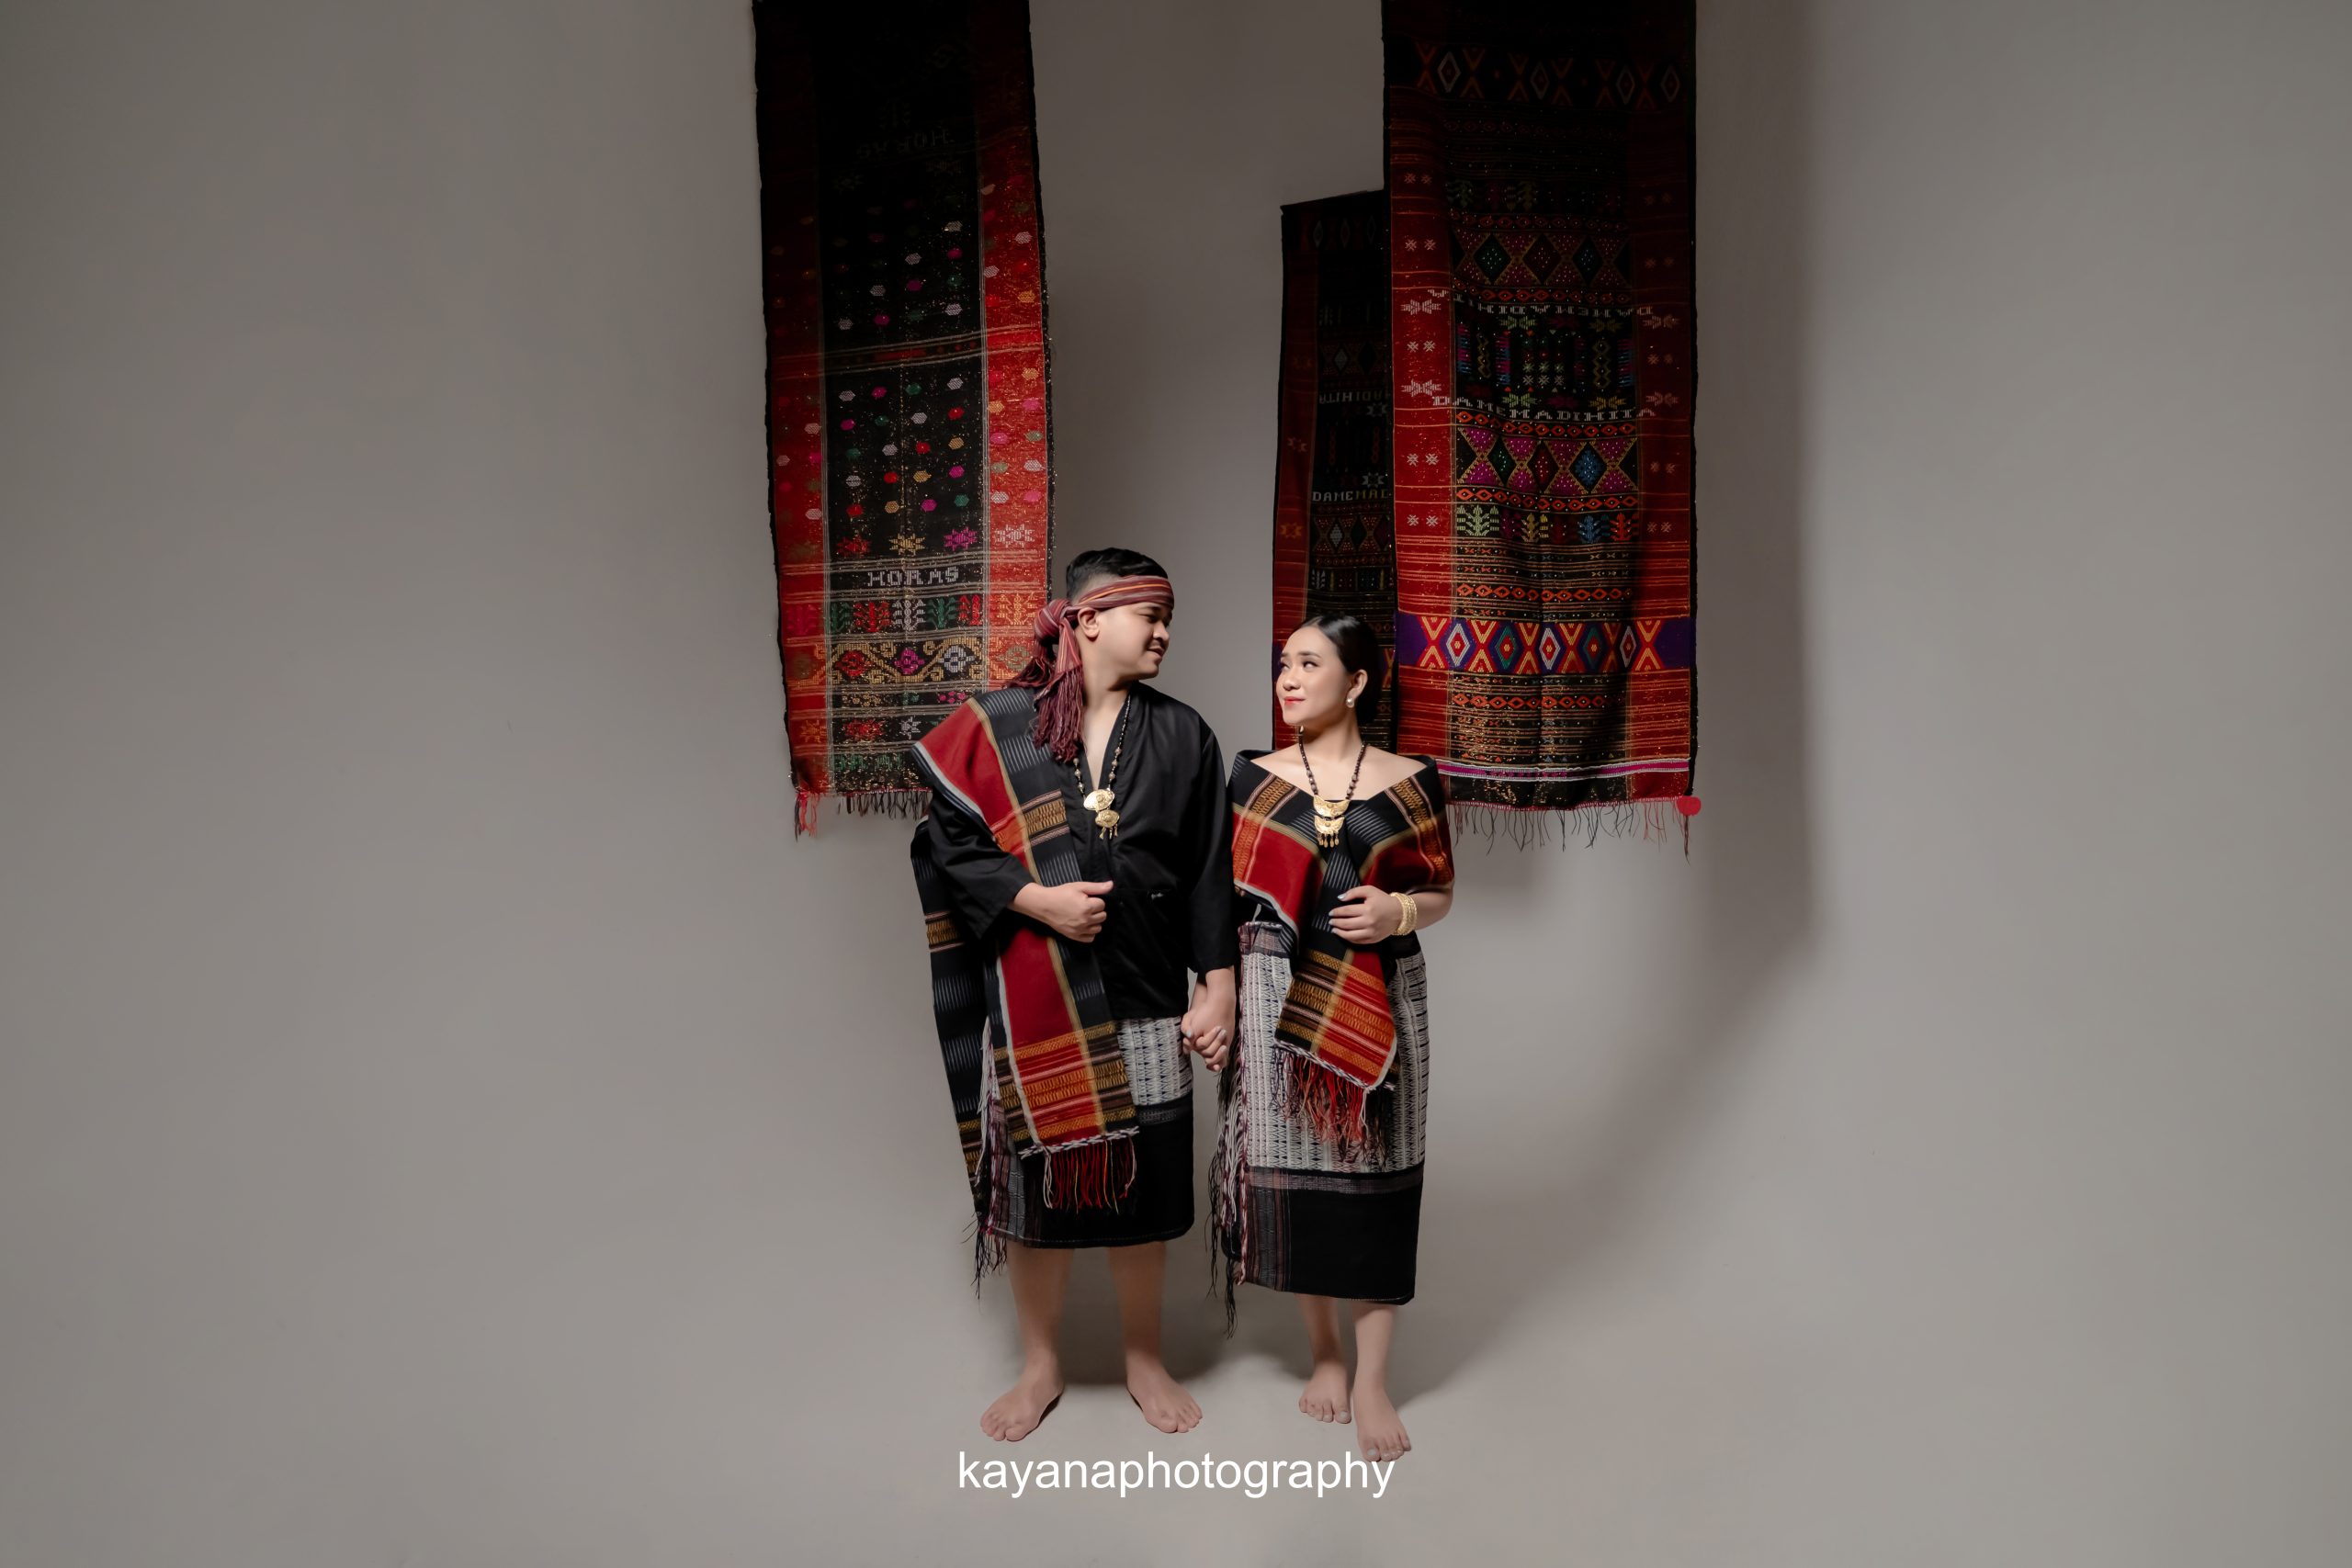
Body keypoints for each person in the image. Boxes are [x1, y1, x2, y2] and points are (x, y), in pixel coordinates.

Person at [908, 547, 1237, 1444]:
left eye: (1169, 619)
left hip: (1147, 989)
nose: (1163, 633)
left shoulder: (1185, 734)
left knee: (1145, 1189)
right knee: (1033, 1191)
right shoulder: (1000, 725)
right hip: (1035, 998)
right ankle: (1040, 1365)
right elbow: (948, 844)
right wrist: (1034, 899)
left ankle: (1144, 1358)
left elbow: (1210, 870)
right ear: (1088, 619)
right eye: (1149, 616)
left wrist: (1218, 986)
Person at [1205, 613, 1456, 1464]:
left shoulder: (1413, 781)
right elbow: (1223, 899)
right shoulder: (1251, 779)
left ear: (1357, 682)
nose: (1288, 677)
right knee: (1298, 1175)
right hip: (1274, 988)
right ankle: (1324, 1353)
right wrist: (1218, 995)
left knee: (1379, 1174)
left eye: (1309, 663)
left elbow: (1443, 891)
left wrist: (1398, 910)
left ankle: (1374, 1378)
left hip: (1383, 991)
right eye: (1283, 662)